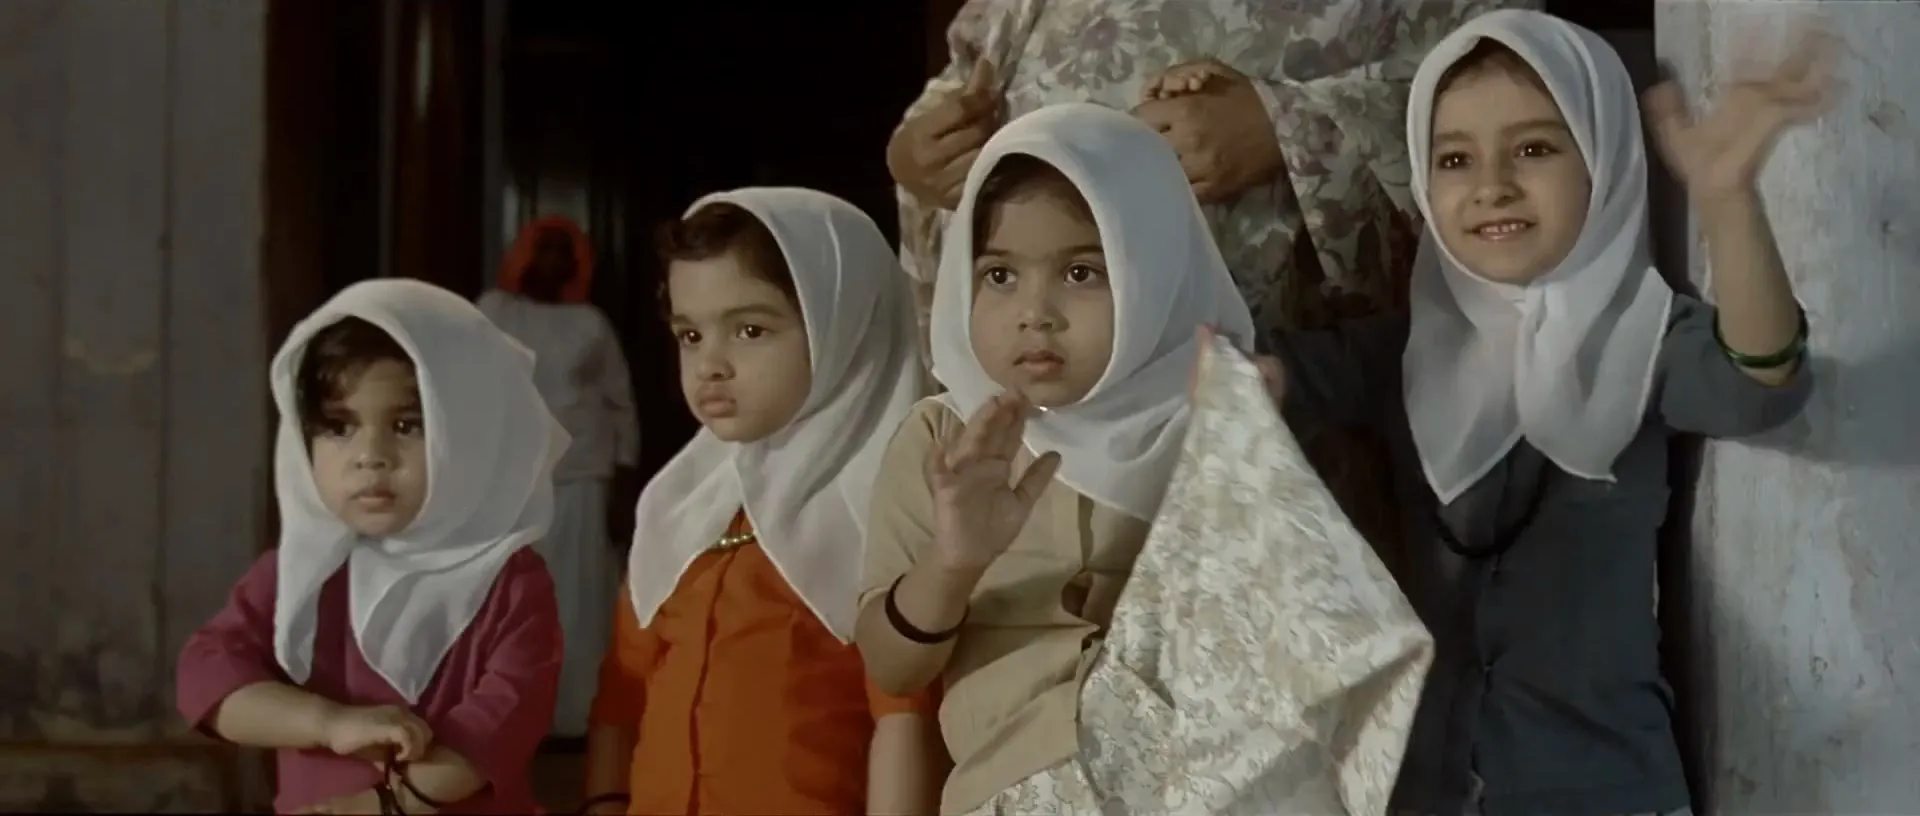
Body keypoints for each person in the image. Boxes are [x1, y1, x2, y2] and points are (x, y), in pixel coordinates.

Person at [1252, 10, 1830, 815]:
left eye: (1533, 149)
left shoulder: (1644, 337)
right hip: (1421, 792)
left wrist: (1727, 200)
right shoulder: (1402, 351)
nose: (1491, 185)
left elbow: (1759, 385)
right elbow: (1260, 382)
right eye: (1454, 159)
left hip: (1604, 789)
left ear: (1603, 158)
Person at [886, 0, 1541, 566]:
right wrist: (923, 151)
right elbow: (974, 68)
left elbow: (1526, 81)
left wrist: (1289, 127)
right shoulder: (938, 443)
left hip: (1276, 384)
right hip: (1032, 400)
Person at [858, 102, 1305, 814]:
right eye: (999, 275)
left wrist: (1249, 479)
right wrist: (954, 563)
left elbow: (1291, 646)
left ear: (1153, 273)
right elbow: (892, 666)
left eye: (1080, 272)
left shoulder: (1217, 417)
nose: (1035, 312)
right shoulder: (943, 442)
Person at [580, 189, 942, 816]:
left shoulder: (887, 511)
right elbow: (622, 696)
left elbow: (903, 719)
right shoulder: (677, 505)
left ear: (845, 327)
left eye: (750, 330)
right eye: (690, 335)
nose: (710, 365)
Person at [175, 279, 569, 814]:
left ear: (471, 434)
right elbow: (206, 677)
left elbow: (497, 727)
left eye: (406, 425)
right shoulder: (300, 573)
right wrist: (328, 723)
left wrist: (375, 807)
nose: (370, 456)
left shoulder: (512, 583)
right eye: (339, 427)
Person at [476, 216, 640, 739]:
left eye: (561, 253)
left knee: (578, 601)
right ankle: (516, 716)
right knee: (515, 601)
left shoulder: (590, 324)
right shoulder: (494, 312)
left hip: (581, 478)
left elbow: (620, 403)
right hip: (512, 482)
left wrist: (623, 481)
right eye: (542, 250)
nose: (550, 262)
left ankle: (576, 718)